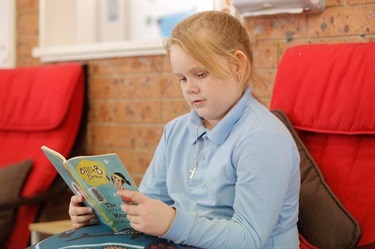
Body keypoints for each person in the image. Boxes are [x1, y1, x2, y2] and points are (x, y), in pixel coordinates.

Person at [69, 10, 300, 248]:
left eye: (200, 74)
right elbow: (148, 204)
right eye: (182, 79)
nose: (190, 88)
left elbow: (249, 239)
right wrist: (98, 213)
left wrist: (171, 222)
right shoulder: (176, 131)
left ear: (237, 65)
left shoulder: (262, 138)